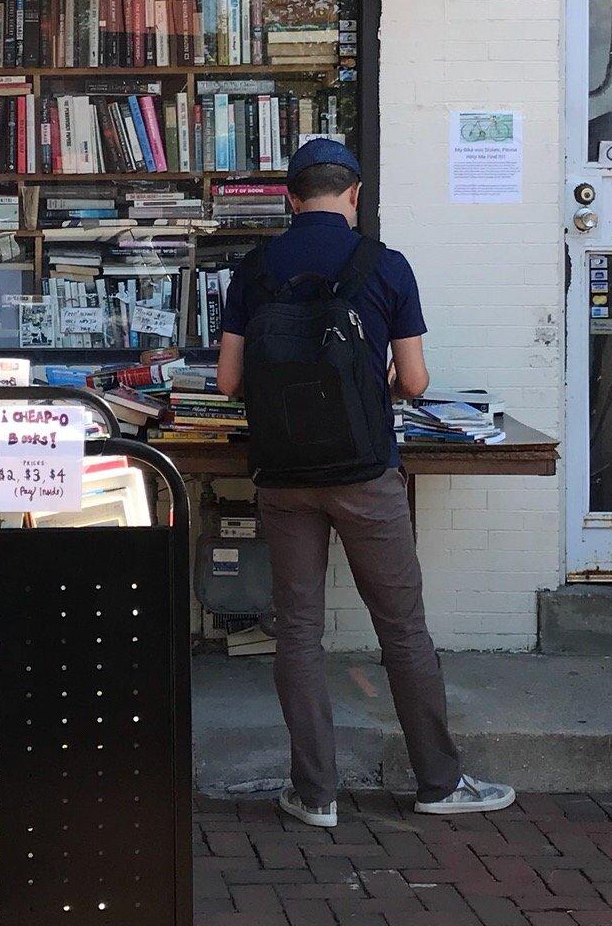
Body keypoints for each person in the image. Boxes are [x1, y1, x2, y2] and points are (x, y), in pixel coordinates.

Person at [215, 137, 515, 827]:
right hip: (365, 472)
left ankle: (314, 795)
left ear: (291, 198)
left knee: (296, 631)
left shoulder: (253, 270)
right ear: (354, 195)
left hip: (282, 474)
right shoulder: (386, 265)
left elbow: (230, 381)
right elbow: (413, 381)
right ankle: (439, 785)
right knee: (402, 628)